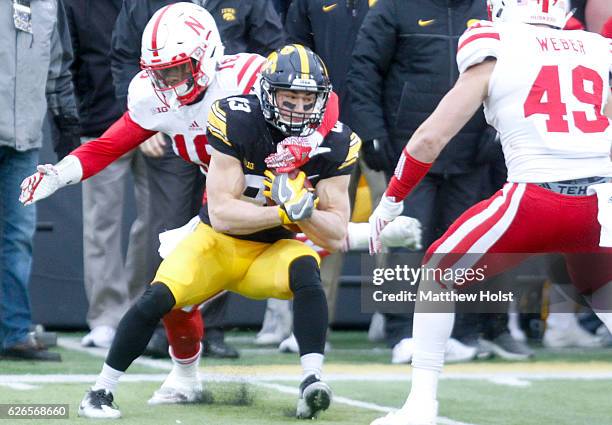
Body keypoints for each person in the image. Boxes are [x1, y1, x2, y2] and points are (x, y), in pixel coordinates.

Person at [367, 0, 612, 423]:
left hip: (536, 197)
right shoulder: (594, 45)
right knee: (599, 291)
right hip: (602, 201)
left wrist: (391, 200)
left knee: (438, 273)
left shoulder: (494, 41)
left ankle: (420, 406)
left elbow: (429, 139)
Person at [110, 0, 285, 359]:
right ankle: (159, 323)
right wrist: (143, 121)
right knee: (166, 227)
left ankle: (213, 329)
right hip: (174, 124)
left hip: (229, 130)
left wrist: (256, 117)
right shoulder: (145, 6)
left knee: (225, 226)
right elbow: (125, 56)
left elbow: (273, 51)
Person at [63, 0, 148, 349]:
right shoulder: (76, 5)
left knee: (156, 223)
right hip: (99, 124)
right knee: (101, 224)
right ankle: (106, 317)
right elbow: (67, 63)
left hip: (154, 127)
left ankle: (144, 308)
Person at [0, 0, 79, 362]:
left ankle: (14, 331)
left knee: (17, 238)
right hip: (19, 139)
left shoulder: (49, 5)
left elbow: (58, 70)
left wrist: (67, 130)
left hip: (24, 141)